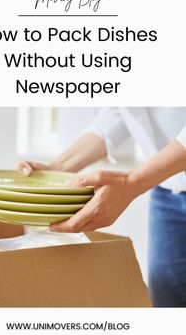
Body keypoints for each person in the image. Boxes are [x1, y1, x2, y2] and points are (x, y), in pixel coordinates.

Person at [17, 108, 186, 307]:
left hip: (161, 180)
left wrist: (133, 180)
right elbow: (122, 112)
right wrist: (56, 168)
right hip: (168, 188)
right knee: (167, 298)